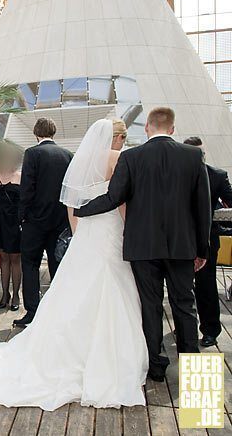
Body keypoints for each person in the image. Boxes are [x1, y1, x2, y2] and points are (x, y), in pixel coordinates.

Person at [0, 119, 148, 411]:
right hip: (83, 229)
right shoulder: (71, 156)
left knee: (10, 269)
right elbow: (114, 200)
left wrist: (27, 219)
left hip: (50, 228)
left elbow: (57, 196)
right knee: (68, 279)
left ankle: (17, 311)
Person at [76, 108, 211, 382]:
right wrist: (202, 249)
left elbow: (114, 197)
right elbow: (203, 208)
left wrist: (81, 210)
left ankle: (156, 366)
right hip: (182, 247)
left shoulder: (131, 157)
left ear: (147, 127)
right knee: (185, 305)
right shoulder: (193, 156)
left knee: (150, 306)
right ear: (172, 129)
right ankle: (194, 376)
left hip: (142, 247)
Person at [16, 117, 73, 327]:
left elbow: (27, 188)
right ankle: (58, 309)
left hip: (35, 222)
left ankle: (33, 311)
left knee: (30, 264)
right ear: (54, 132)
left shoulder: (32, 153)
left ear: (35, 133)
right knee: (56, 264)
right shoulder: (68, 155)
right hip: (59, 222)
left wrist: (21, 216)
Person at [183, 136, 232, 347]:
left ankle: (210, 330)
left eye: (201, 154)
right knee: (181, 287)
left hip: (206, 239)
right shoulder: (176, 175)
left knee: (207, 286)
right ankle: (185, 326)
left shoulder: (218, 176)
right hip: (180, 238)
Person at [0, 140, 24, 310]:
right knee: (4, 259)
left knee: (15, 258)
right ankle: (4, 293)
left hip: (15, 222)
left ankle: (16, 295)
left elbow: (26, 201)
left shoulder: (21, 176)